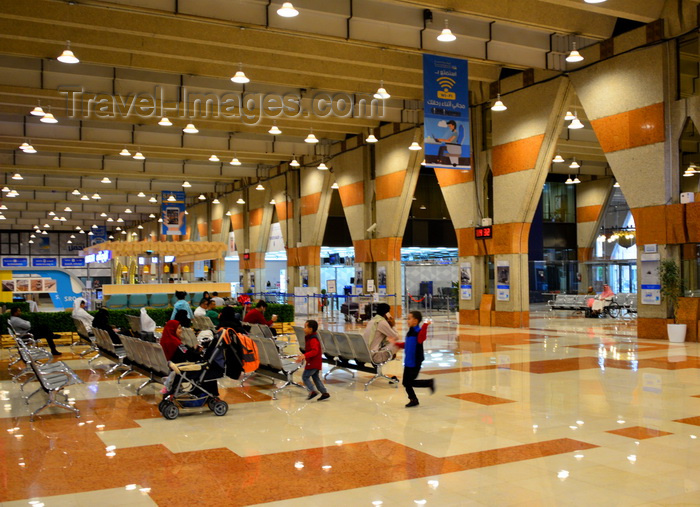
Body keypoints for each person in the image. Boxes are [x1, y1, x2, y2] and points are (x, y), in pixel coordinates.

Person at [395, 311, 434, 407]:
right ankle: (414, 399)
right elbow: (407, 344)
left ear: (415, 321)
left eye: (409, 318)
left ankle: (428, 383)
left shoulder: (418, 332)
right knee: (406, 383)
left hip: (415, 361)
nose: (407, 320)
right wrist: (396, 344)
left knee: (409, 382)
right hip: (408, 361)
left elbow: (422, 338)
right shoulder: (410, 332)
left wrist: (425, 325)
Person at [295, 320, 330, 401]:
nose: (304, 329)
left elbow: (315, 351)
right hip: (315, 362)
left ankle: (312, 391)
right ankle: (324, 393)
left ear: (310, 329)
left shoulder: (313, 339)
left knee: (305, 377)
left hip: (313, 362)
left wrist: (305, 355)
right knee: (315, 377)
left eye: (305, 327)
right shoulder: (310, 337)